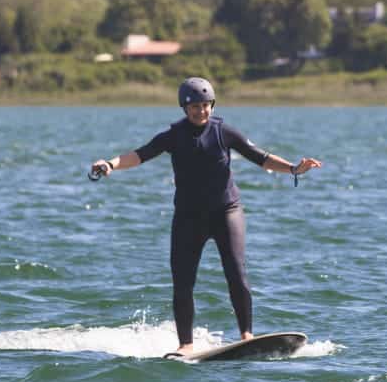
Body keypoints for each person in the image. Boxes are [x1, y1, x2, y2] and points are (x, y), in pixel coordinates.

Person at [89, 76, 322, 358]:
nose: (201, 111)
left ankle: (247, 335)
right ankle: (185, 344)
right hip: (189, 217)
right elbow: (140, 155)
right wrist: (110, 164)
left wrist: (294, 169)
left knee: (236, 271)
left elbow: (261, 157)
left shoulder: (224, 132)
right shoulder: (173, 136)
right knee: (183, 280)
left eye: (206, 105)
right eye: (195, 106)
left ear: (212, 104)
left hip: (227, 212)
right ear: (184, 108)